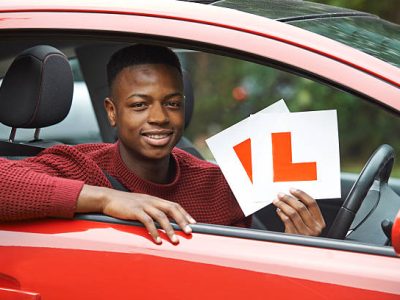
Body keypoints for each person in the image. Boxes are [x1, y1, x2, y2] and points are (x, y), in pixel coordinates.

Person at [0, 44, 325, 244]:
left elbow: (245, 273)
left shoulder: (219, 184)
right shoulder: (81, 165)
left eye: (171, 103)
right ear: (112, 112)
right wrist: (105, 200)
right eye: (140, 105)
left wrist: (299, 243)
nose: (159, 117)